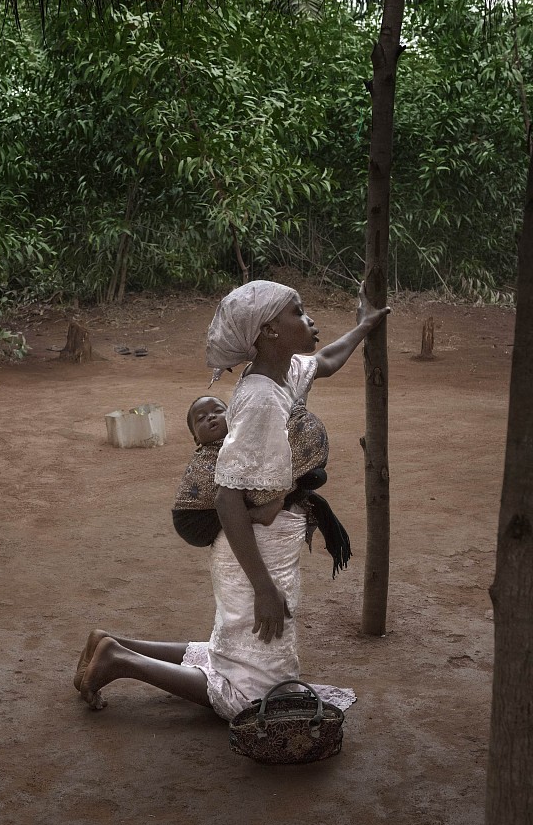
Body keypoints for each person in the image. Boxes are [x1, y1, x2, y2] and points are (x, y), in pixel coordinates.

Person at [75, 279, 389, 719]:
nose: (310, 318)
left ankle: (116, 644)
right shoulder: (260, 400)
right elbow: (226, 499)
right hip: (254, 553)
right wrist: (263, 587)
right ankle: (120, 662)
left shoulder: (279, 373)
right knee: (252, 693)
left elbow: (324, 360)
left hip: (261, 545)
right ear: (270, 332)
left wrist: (363, 327)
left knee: (236, 650)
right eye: (297, 311)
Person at [172, 395, 350, 579]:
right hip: (194, 520)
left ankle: (294, 487)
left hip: (227, 504)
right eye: (201, 418)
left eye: (218, 411)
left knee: (288, 479)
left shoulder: (243, 441)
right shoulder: (207, 455)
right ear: (196, 439)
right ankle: (259, 513)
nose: (210, 417)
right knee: (263, 490)